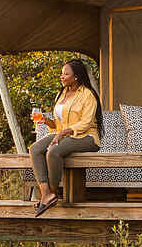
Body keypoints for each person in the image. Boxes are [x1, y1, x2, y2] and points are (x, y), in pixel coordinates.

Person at [29, 58, 101, 215]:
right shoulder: (61, 95)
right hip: (64, 134)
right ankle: (46, 193)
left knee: (53, 151)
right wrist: (46, 120)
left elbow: (86, 123)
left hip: (87, 137)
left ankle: (52, 193)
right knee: (35, 149)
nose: (61, 76)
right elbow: (58, 125)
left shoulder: (88, 95)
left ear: (76, 77)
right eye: (61, 74)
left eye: (65, 74)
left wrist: (63, 133)